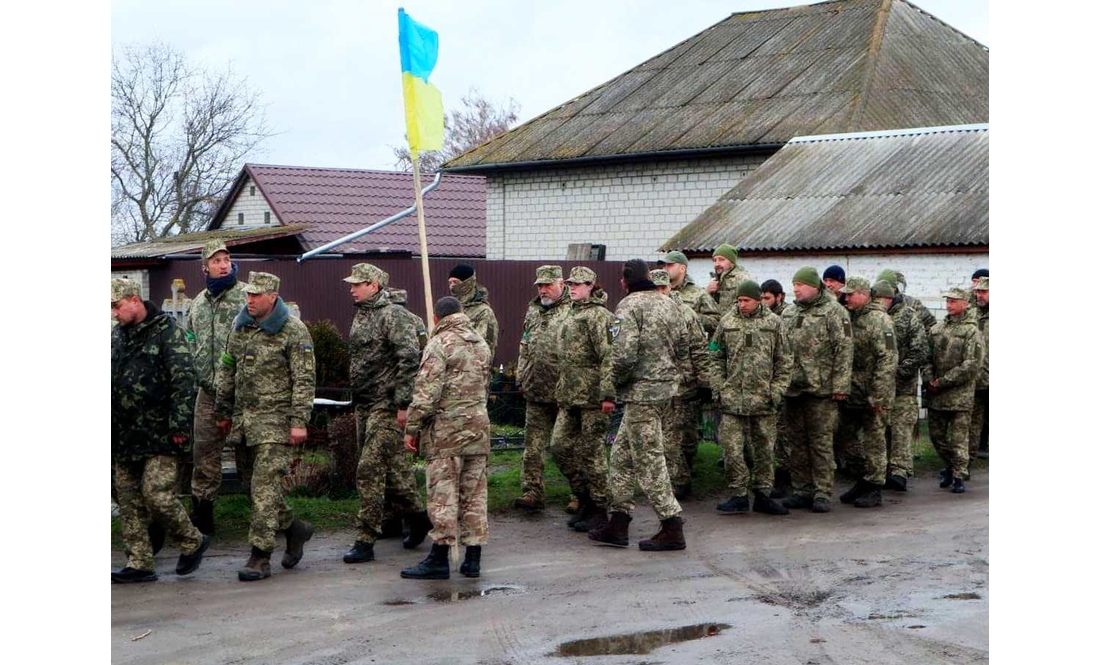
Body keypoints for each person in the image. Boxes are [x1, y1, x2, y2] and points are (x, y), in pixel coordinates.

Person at [215, 272, 316, 582]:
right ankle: (295, 529)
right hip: (245, 422)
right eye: (248, 294)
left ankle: (260, 556)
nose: (251, 300)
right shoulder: (241, 325)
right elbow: (227, 366)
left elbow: (303, 379)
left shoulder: (293, 330)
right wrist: (222, 409)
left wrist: (299, 421)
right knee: (253, 488)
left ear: (273, 296)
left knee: (263, 487)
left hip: (276, 422)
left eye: (257, 295)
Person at [111, 278, 210, 583]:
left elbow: (184, 381)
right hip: (124, 434)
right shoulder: (118, 336)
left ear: (134, 301)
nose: (113, 313)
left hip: (161, 433)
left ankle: (193, 540)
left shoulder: (168, 333)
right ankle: (140, 561)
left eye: (116, 306)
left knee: (156, 495)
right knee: (128, 499)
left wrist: (179, 425)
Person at [588, 260, 685, 551]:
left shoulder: (629, 306)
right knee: (620, 457)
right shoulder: (669, 303)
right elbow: (682, 345)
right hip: (664, 389)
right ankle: (619, 521)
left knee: (649, 459)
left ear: (624, 281)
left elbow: (624, 354)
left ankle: (672, 524)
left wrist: (611, 385)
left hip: (641, 392)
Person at [340, 264, 431, 565]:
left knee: (368, 468)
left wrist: (404, 404)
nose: (352, 288)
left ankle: (365, 538)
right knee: (392, 467)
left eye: (358, 284)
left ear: (375, 285)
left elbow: (409, 358)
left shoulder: (395, 316)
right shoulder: (363, 314)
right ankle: (418, 516)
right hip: (364, 404)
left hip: (386, 404)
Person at [401, 297, 492, 580]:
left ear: (437, 318)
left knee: (444, 494)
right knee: (475, 493)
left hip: (446, 432)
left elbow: (427, 394)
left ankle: (439, 556)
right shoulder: (481, 343)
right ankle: (473, 558)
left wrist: (411, 428)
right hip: (478, 427)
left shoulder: (439, 344)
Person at [185, 239, 251, 536]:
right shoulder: (197, 304)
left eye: (227, 259)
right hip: (208, 392)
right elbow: (189, 342)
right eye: (217, 261)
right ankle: (203, 519)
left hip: (243, 392)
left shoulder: (247, 297)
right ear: (205, 267)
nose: (224, 264)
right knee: (204, 456)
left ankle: (266, 515)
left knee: (249, 455)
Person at [709, 280, 791, 516]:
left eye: (746, 300)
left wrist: (776, 390)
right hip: (732, 399)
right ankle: (739, 494)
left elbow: (785, 361)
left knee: (764, 449)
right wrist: (719, 387)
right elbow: (715, 355)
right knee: (732, 449)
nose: (742, 304)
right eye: (739, 300)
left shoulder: (774, 324)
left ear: (757, 300)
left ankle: (763, 494)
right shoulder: (727, 322)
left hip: (763, 400)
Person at [780, 267, 853, 514]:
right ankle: (802, 489)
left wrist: (841, 385)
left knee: (821, 442)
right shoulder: (789, 312)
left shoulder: (834, 311)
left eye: (800, 284)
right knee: (796, 442)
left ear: (814, 286)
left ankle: (822, 491)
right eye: (794, 284)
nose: (796, 289)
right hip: (792, 388)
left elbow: (844, 349)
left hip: (820, 389)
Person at [550, 267, 615, 533]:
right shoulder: (569, 312)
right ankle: (585, 496)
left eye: (579, 284)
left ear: (591, 285)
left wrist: (608, 394)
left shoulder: (602, 316)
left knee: (593, 453)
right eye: (570, 283)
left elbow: (610, 356)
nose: (573, 287)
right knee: (559, 446)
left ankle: (601, 507)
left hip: (593, 398)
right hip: (569, 396)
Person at [835, 277, 898, 509]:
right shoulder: (847, 317)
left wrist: (878, 394)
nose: (847, 297)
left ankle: (874, 486)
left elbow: (888, 358)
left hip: (873, 393)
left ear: (865, 294)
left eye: (851, 294)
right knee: (844, 437)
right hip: (851, 391)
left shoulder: (880, 320)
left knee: (874, 440)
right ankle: (863, 477)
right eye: (846, 294)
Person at [513, 265, 571, 512]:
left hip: (565, 391)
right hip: (536, 389)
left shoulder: (574, 309)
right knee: (533, 445)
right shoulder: (534, 309)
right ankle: (532, 491)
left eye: (548, 285)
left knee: (567, 446)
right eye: (540, 285)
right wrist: (521, 375)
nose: (543, 290)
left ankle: (579, 493)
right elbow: (525, 343)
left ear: (562, 284)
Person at [652, 269, 710, 499]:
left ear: (669, 288)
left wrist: (705, 382)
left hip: (682, 386)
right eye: (654, 288)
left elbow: (699, 348)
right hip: (656, 385)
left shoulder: (685, 314)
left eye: (662, 288)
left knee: (675, 437)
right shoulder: (646, 313)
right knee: (664, 437)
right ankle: (674, 480)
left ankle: (680, 482)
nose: (659, 293)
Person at [923, 287, 983, 494]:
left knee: (959, 439)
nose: (949, 305)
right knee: (937, 436)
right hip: (937, 394)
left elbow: (971, 364)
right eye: (948, 301)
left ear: (965, 304)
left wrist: (944, 381)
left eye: (954, 301)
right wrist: (930, 377)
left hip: (960, 395)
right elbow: (927, 357)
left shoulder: (971, 331)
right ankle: (952, 465)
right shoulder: (937, 329)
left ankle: (958, 475)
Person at [878, 280, 926, 491]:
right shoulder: (876, 318)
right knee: (883, 431)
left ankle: (899, 472)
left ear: (889, 297)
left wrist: (899, 371)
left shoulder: (908, 316)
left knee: (901, 430)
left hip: (903, 387)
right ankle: (886, 470)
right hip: (881, 387)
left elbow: (920, 350)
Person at [662, 250, 720, 334]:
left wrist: (691, 317)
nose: (665, 268)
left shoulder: (698, 293)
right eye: (664, 265)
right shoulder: (657, 291)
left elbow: (715, 321)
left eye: (670, 265)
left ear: (682, 268)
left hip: (687, 343)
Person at [448, 264, 499, 358]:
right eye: (450, 283)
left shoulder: (483, 312)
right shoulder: (450, 309)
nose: (452, 286)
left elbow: (482, 344)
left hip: (473, 366)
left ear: (467, 282)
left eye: (455, 282)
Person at [970, 277, 989, 460]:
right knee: (974, 420)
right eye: (977, 292)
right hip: (976, 377)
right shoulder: (972, 314)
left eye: (983, 292)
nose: (979, 295)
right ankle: (969, 456)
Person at [706, 244, 752, 317]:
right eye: (715, 260)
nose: (717, 264)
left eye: (721, 259)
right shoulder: (715, 280)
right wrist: (707, 291)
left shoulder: (743, 279)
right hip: (718, 324)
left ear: (732, 262)